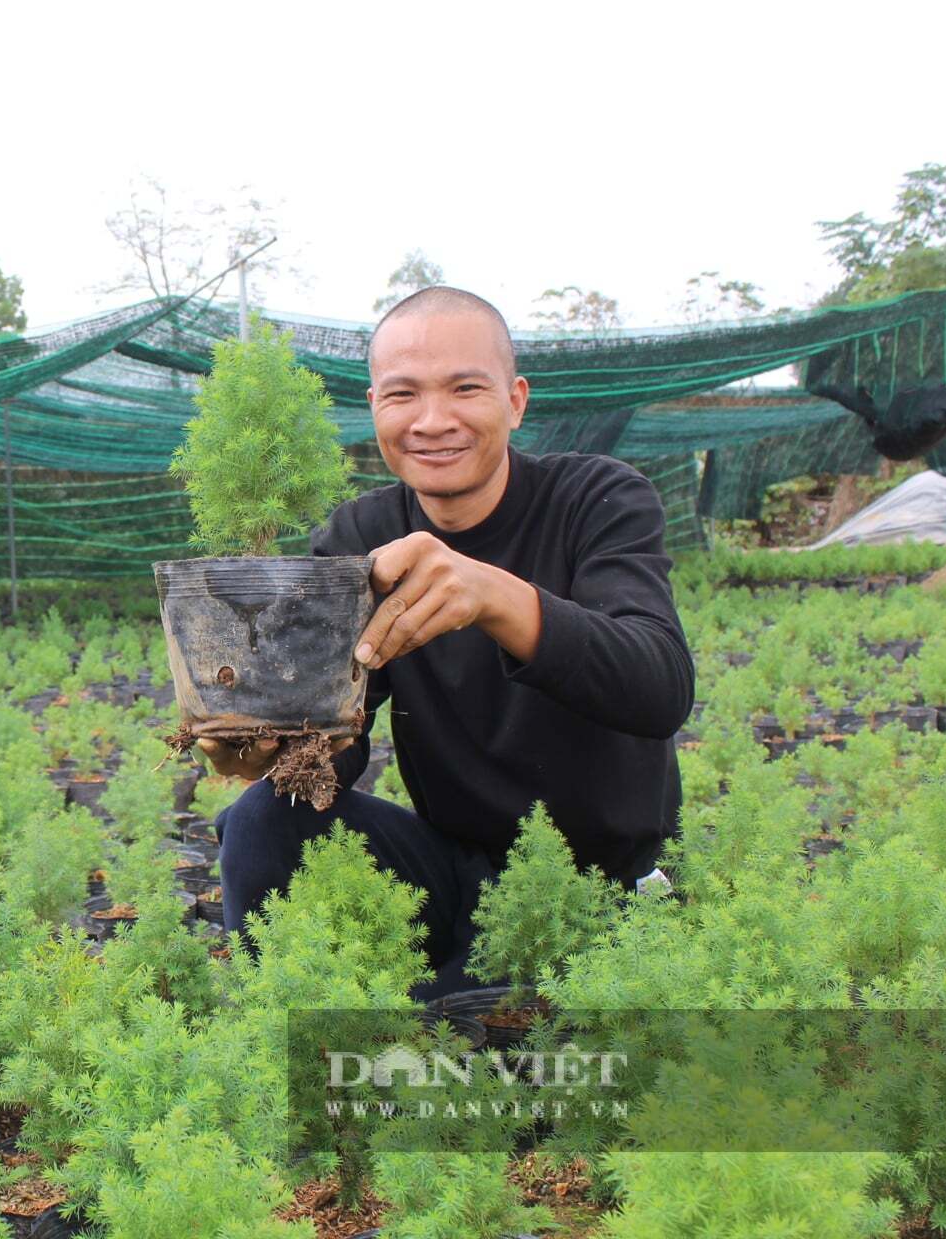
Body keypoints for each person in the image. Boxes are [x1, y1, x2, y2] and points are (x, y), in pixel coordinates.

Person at [198, 286, 695, 1001]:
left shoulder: (595, 500)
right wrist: (276, 746)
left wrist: (493, 596)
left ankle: (449, 1000)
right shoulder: (360, 537)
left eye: (466, 388)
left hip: (593, 889)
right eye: (404, 394)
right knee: (261, 823)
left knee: (458, 1030)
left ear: (515, 401)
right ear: (375, 407)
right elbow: (341, 738)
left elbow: (659, 687)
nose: (433, 421)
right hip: (453, 869)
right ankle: (285, 1015)